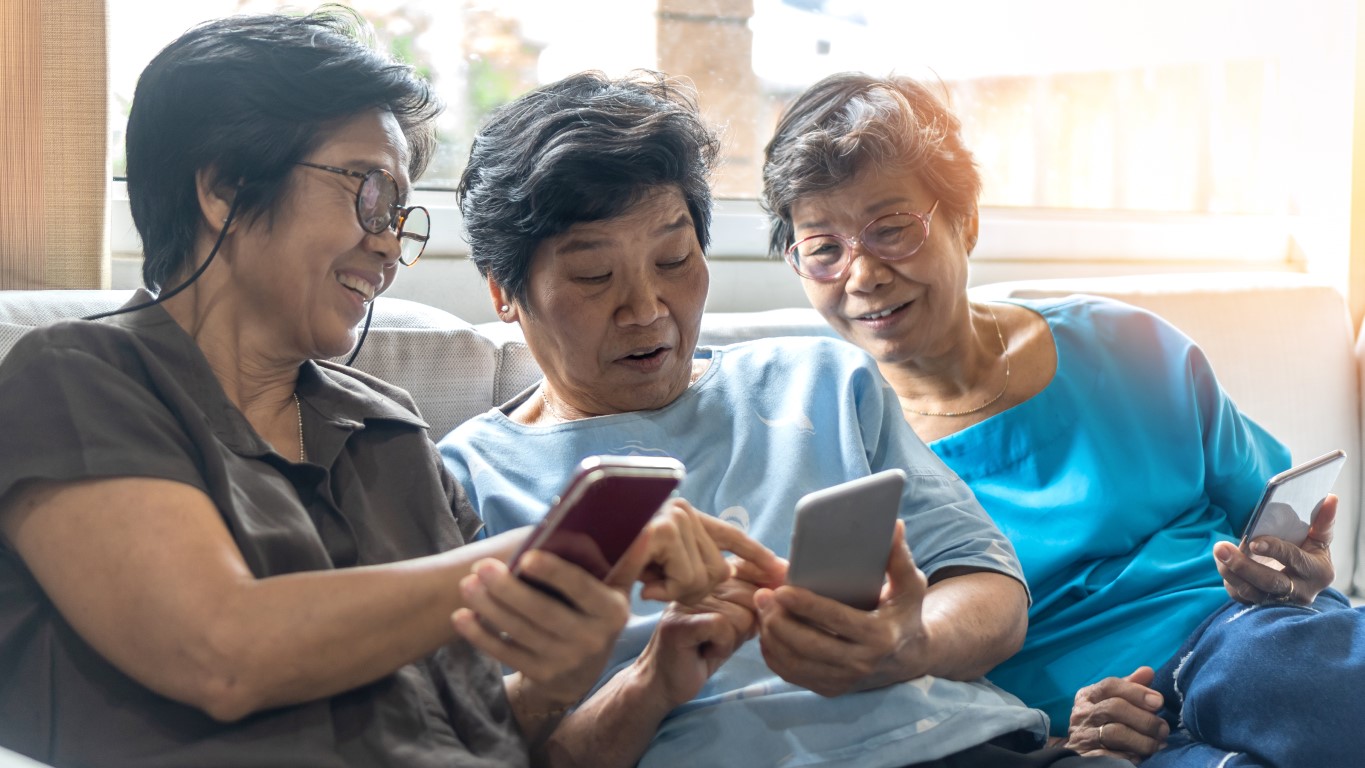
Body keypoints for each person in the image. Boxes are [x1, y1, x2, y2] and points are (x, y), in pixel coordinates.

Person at [0, 12, 742, 766]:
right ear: (225, 186)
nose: (388, 244)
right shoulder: (79, 377)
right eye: (369, 193)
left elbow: (477, 732)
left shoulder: (389, 430)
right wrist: (535, 556)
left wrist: (575, 680)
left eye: (399, 212)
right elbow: (220, 652)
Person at [438, 70, 1133, 768]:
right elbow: (490, 748)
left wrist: (902, 644)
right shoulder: (467, 479)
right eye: (594, 277)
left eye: (673, 259)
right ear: (505, 291)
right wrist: (650, 682)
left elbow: (987, 589)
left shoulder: (821, 381)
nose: (646, 308)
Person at [762, 71, 1365, 766]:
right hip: (1118, 733)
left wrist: (1296, 571)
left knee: (1296, 673)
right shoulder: (838, 454)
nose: (860, 274)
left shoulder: (1125, 344)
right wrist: (1054, 744)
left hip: (1255, 648)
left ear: (966, 220)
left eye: (890, 229)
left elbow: (1271, 522)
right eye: (823, 249)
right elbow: (886, 686)